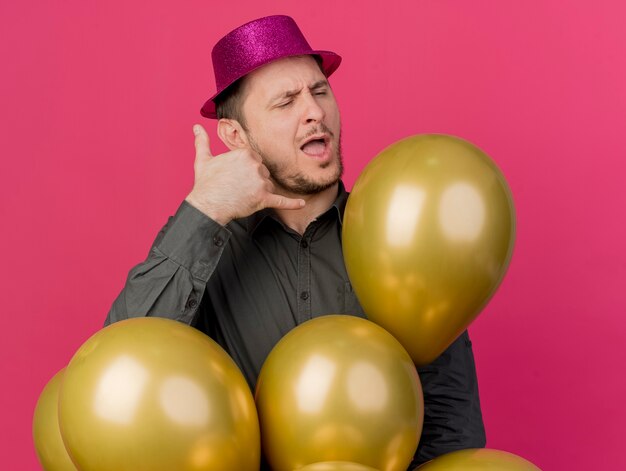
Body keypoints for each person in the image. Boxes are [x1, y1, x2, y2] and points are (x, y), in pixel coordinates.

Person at [105, 15, 486, 467]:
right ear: (235, 136)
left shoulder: (400, 238)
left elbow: (449, 422)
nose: (315, 112)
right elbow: (119, 367)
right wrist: (204, 210)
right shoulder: (205, 243)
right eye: (286, 101)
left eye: (319, 91)